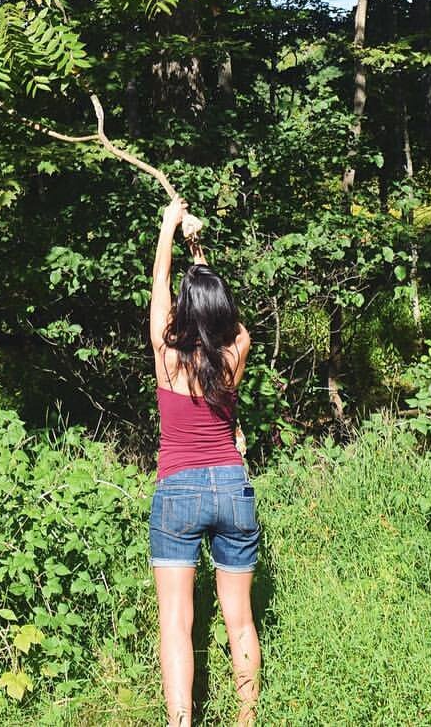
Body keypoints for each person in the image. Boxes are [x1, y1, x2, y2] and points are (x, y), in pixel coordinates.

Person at [149, 195, 260, 727]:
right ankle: (246, 720)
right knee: (240, 618)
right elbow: (228, 320)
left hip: (178, 490)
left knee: (176, 619)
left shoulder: (167, 356)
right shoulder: (235, 351)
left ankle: (180, 723)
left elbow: (160, 295)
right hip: (232, 487)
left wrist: (170, 230)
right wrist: (202, 252)